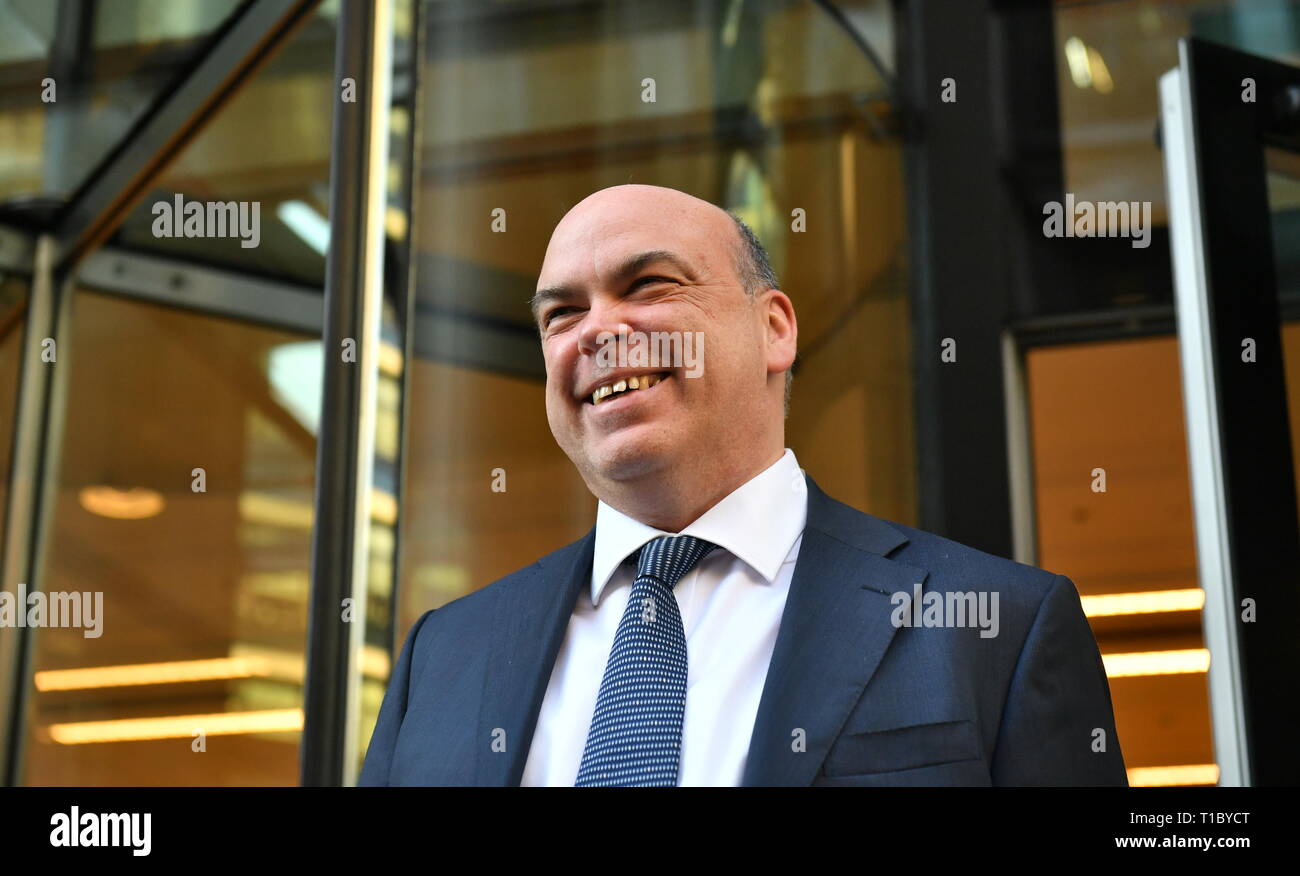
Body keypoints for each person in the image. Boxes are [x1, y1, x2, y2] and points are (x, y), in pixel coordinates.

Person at [359, 184, 1126, 786]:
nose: (596, 330)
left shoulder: (998, 629)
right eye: (562, 313)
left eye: (650, 285)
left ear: (775, 329)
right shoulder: (443, 656)